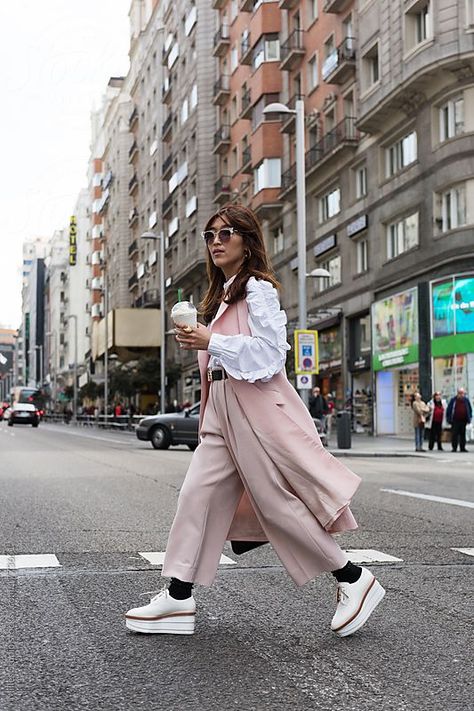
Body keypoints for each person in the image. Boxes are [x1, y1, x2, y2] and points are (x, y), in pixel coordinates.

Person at [125, 204, 385, 638]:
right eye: (210, 236)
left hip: (251, 409)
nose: (216, 242)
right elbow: (228, 350)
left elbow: (269, 355)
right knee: (196, 496)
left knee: (276, 505)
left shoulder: (258, 290)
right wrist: (204, 342)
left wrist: (213, 340)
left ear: (248, 241)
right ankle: (178, 595)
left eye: (226, 233)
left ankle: (354, 580)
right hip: (220, 409)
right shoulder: (223, 296)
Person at [446, 388, 472, 452]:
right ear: (457, 393)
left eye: (462, 393)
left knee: (463, 435)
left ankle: (462, 447)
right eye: (460, 393)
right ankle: (454, 447)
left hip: (463, 420)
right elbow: (449, 410)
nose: (461, 394)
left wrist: (469, 418)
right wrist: (449, 419)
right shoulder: (453, 400)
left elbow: (469, 409)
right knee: (455, 434)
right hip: (455, 420)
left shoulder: (466, 400)